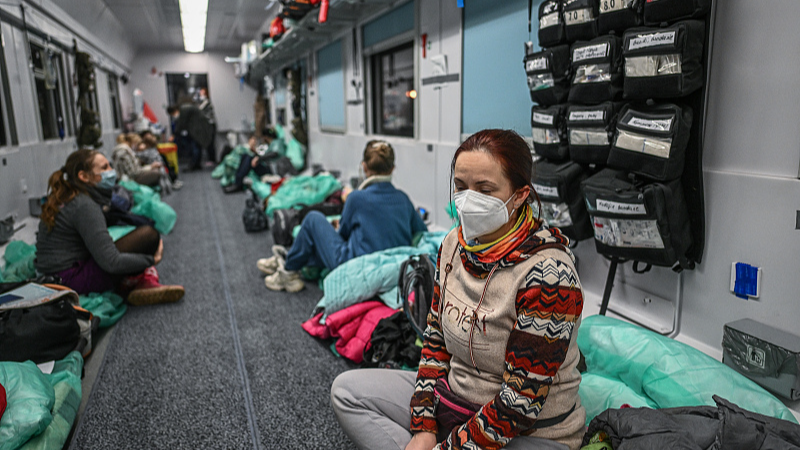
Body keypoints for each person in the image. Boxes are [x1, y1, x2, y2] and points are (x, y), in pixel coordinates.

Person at [330, 130, 586, 450]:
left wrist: (448, 447)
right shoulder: (453, 244)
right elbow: (435, 338)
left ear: (520, 195)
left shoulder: (549, 275)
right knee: (347, 391)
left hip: (528, 431)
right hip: (452, 404)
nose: (467, 200)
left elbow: (519, 403)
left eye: (485, 189)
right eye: (461, 187)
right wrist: (423, 424)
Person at [259, 140, 428, 292]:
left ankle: (288, 270)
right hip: (391, 268)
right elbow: (422, 232)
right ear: (392, 168)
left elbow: (343, 235)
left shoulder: (356, 198)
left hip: (355, 267)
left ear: (364, 167)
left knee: (313, 219)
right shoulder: (403, 199)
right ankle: (289, 260)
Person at [35, 149, 185, 305]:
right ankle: (132, 282)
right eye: (104, 168)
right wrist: (150, 260)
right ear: (84, 176)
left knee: (126, 240)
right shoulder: (84, 205)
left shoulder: (69, 196)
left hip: (53, 275)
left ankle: (136, 280)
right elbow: (111, 262)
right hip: (68, 280)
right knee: (148, 236)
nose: (111, 171)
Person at [223, 128, 287, 194]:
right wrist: (256, 154)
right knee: (246, 156)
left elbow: (274, 153)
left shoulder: (277, 142)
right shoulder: (272, 144)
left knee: (249, 158)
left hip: (273, 170)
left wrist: (258, 158)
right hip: (268, 166)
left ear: (265, 137)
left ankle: (238, 184)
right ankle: (237, 182)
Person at [167, 103, 212, 172]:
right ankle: (197, 165)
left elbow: (181, 123)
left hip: (198, 130)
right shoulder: (185, 108)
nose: (174, 116)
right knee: (198, 147)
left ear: (173, 111)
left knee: (195, 148)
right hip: (200, 128)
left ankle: (193, 165)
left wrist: (174, 135)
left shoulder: (183, 110)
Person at [197, 88, 217, 166]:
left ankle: (212, 160)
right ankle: (211, 159)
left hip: (210, 125)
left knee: (210, 143)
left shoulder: (206, 102)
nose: (200, 94)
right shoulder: (203, 102)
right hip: (207, 125)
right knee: (209, 143)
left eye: (202, 92)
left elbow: (200, 109)